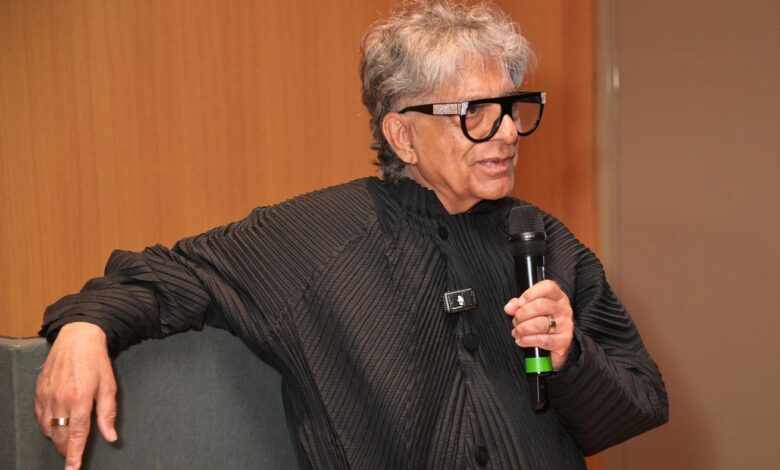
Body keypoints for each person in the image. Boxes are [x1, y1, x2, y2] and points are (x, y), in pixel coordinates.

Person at [35, 1, 668, 469]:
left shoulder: (544, 240)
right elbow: (166, 276)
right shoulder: (313, 238)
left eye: (510, 106)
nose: (505, 132)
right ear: (402, 135)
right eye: (473, 112)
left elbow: (638, 405)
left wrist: (569, 355)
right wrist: (84, 328)